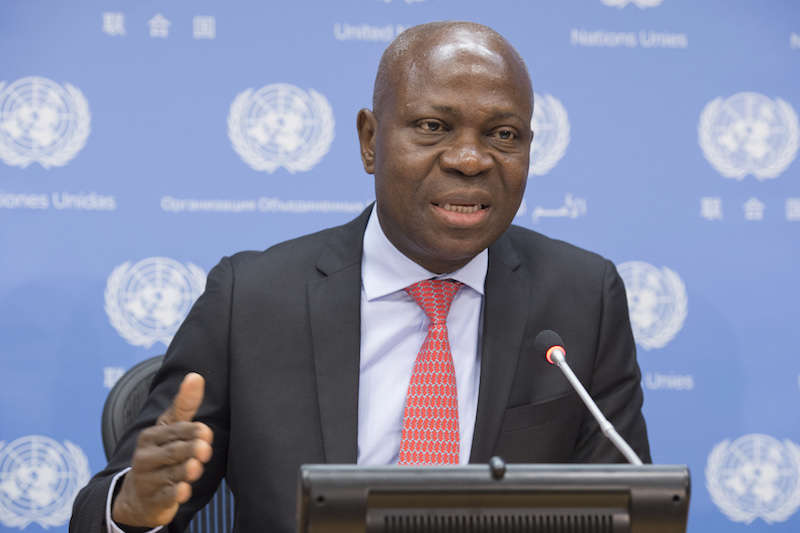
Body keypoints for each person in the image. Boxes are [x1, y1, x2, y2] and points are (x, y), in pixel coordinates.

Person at [70, 21, 650, 533]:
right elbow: (103, 510)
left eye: (503, 135)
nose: (470, 159)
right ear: (371, 141)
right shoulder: (249, 300)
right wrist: (132, 510)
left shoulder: (583, 298)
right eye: (433, 126)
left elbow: (627, 509)